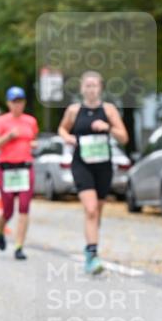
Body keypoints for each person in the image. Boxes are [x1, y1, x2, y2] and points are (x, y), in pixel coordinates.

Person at [57, 70, 129, 274]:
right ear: (82, 88)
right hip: (82, 164)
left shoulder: (109, 110)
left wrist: (107, 127)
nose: (91, 89)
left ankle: (90, 247)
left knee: (97, 211)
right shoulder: (73, 110)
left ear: (100, 88)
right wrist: (68, 138)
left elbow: (124, 137)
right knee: (90, 210)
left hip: (103, 165)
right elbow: (62, 129)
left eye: (94, 85)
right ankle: (93, 254)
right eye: (87, 85)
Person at [0, 86, 39, 260]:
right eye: (14, 102)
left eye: (20, 101)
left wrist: (33, 145)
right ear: (9, 103)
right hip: (7, 170)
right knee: (8, 210)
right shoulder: (1, 121)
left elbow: (33, 139)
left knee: (24, 207)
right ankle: (0, 230)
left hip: (25, 169)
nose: (18, 105)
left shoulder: (30, 121)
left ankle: (19, 246)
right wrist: (8, 136)